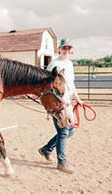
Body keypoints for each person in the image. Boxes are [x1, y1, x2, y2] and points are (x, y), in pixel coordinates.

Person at [38, 39, 83, 174]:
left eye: (69, 49)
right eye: (64, 48)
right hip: (57, 103)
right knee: (63, 131)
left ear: (71, 51)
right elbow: (47, 85)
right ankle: (62, 163)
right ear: (59, 49)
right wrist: (49, 109)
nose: (66, 51)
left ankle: (46, 149)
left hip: (68, 102)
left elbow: (71, 84)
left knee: (70, 131)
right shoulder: (54, 64)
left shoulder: (69, 63)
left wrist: (78, 99)